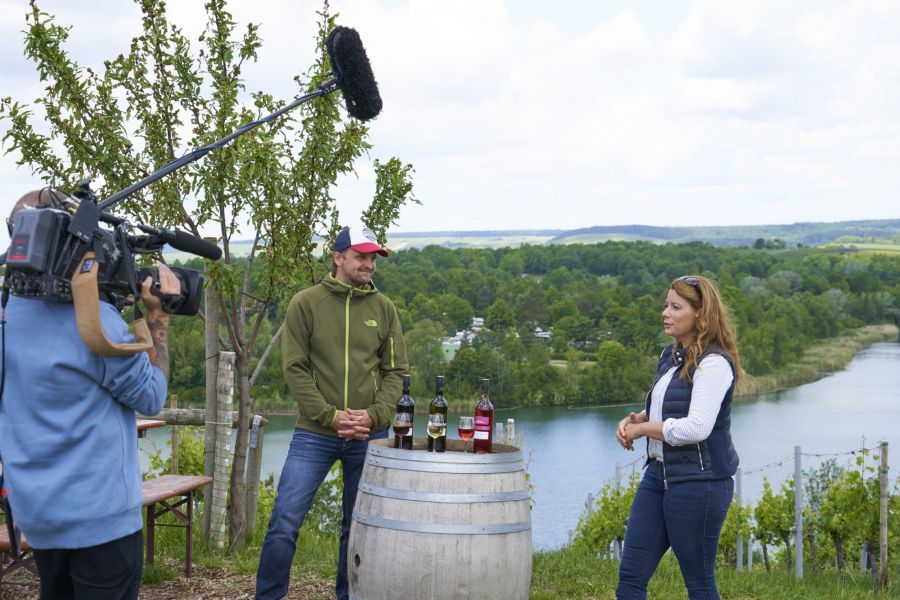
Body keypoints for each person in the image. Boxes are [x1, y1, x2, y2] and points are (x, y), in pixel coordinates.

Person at [0, 188, 178, 599]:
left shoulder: (6, 314)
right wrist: (157, 318)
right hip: (103, 522)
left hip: (39, 518)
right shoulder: (95, 322)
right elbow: (151, 395)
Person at [256, 223, 408, 600]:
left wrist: (375, 415)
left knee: (357, 528)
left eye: (373, 257)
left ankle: (348, 595)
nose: (369, 264)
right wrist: (330, 416)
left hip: (368, 435)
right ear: (337, 258)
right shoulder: (306, 303)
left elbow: (395, 372)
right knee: (285, 523)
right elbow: (295, 367)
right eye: (361, 256)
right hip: (316, 433)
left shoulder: (384, 309)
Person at [615, 275, 742, 600]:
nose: (665, 313)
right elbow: (666, 410)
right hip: (658, 476)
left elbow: (695, 427)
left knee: (698, 582)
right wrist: (635, 421)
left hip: (700, 482)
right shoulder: (671, 357)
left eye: (675, 307)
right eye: (666, 305)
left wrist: (645, 430)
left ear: (699, 314)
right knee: (630, 575)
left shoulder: (714, 364)